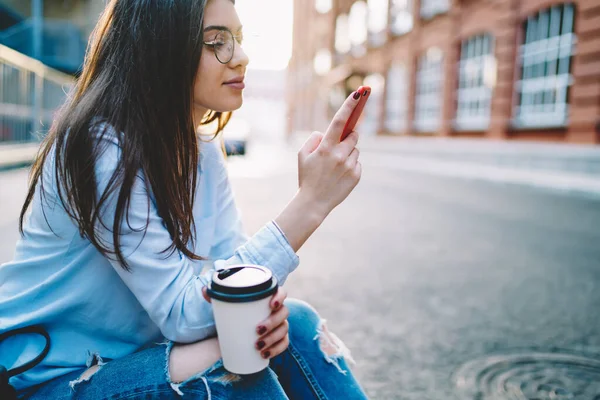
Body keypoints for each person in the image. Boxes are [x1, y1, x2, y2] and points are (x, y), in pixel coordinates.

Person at [0, 0, 368, 398]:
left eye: (239, 40)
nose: (241, 57)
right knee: (235, 373)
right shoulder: (100, 146)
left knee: (294, 324)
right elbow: (183, 315)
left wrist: (264, 310)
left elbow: (227, 281)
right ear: (160, 47)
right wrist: (310, 204)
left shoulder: (204, 152)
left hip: (138, 355)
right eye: (217, 42)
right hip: (53, 378)